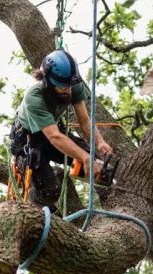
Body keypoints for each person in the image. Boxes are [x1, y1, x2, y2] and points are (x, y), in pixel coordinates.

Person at [10, 49, 113, 208]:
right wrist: (84, 158)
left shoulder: (73, 84)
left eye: (70, 86)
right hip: (29, 142)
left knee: (100, 163)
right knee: (50, 191)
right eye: (63, 87)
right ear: (47, 81)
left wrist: (99, 142)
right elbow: (55, 137)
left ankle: (110, 200)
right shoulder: (34, 98)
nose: (68, 90)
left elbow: (84, 122)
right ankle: (36, 201)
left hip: (53, 133)